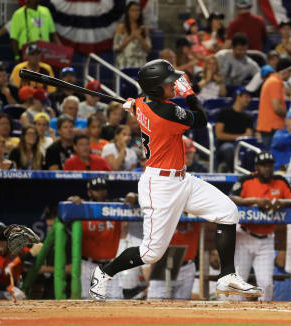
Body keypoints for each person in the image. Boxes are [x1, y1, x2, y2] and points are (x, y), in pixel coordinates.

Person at [89, 59, 262, 301]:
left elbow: (143, 104)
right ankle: (104, 272)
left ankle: (227, 276)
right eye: (168, 82)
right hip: (159, 186)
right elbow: (201, 120)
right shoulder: (165, 112)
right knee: (151, 253)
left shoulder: (144, 103)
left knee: (228, 212)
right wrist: (189, 94)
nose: (173, 85)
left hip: (183, 179)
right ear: (154, 89)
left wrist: (136, 106)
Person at [230, 152, 291, 301]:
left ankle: (264, 318)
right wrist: (254, 201)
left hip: (266, 240)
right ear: (257, 167)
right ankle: (234, 318)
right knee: (238, 283)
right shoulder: (247, 180)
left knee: (267, 284)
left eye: (269, 165)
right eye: (263, 165)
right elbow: (231, 197)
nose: (267, 168)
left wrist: (281, 202)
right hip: (245, 237)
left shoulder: (280, 181)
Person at [67, 177, 140, 299]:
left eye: (102, 189)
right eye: (96, 189)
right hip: (88, 265)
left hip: (111, 264)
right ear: (89, 192)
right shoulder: (81, 207)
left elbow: (134, 198)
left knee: (116, 300)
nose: (100, 192)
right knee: (87, 302)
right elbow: (67, 206)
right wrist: (71, 200)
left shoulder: (116, 206)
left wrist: (133, 196)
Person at [147, 221, 200, 300]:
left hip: (187, 266)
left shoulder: (195, 211)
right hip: (162, 264)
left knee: (182, 306)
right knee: (155, 303)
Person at [256, 57, 291, 148]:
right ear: (285, 71)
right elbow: (277, 108)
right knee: (272, 158)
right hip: (272, 127)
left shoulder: (272, 80)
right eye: (290, 71)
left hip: (270, 126)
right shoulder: (275, 82)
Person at [215, 86, 253, 172]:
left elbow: (248, 135)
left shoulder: (248, 117)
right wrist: (239, 137)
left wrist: (238, 138)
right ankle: (233, 172)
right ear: (238, 96)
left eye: (250, 97)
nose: (249, 100)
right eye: (246, 97)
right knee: (229, 148)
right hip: (225, 145)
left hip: (242, 146)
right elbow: (219, 135)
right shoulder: (224, 113)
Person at [113, 1, 151, 70]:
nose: (136, 13)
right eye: (133, 10)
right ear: (128, 12)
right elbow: (116, 48)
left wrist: (140, 38)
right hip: (125, 63)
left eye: (138, 10)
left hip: (140, 63)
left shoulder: (144, 28)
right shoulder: (121, 27)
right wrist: (131, 37)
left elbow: (148, 49)